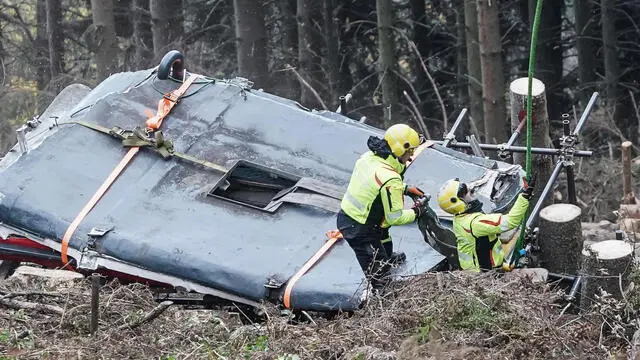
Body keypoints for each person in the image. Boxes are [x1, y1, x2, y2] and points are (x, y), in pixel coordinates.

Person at [337, 123, 432, 288]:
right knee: (380, 277)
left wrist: (405, 189)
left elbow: (376, 183)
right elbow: (395, 217)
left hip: (354, 216)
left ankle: (386, 257)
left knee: (383, 234)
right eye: (410, 151)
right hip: (360, 230)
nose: (410, 157)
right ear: (399, 149)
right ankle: (381, 297)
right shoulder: (390, 178)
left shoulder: (369, 157)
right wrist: (417, 211)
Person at [435, 176, 535, 272]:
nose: (470, 189)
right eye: (464, 191)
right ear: (457, 203)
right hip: (485, 274)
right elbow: (510, 221)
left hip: (473, 271)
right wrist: (525, 196)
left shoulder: (459, 219)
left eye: (465, 186)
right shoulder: (475, 223)